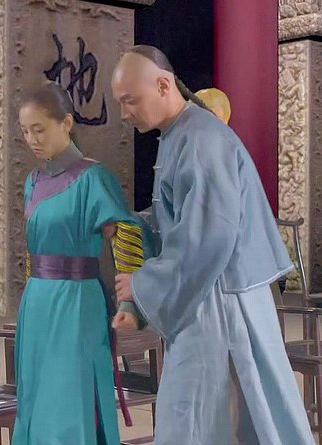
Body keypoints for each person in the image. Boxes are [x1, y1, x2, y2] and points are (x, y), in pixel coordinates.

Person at [110, 45, 314, 445]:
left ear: (164, 85)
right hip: (213, 288)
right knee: (233, 412)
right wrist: (133, 223)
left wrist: (142, 283)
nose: (124, 113)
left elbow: (209, 236)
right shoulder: (182, 133)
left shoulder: (201, 138)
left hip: (217, 295)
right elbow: (183, 218)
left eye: (130, 100)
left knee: (193, 414)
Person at [12, 81, 151, 445]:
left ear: (67, 123)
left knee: (71, 399)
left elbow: (127, 231)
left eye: (39, 129)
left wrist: (128, 301)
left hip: (77, 303)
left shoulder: (93, 177)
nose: (32, 140)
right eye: (25, 131)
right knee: (36, 400)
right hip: (37, 303)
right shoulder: (33, 181)